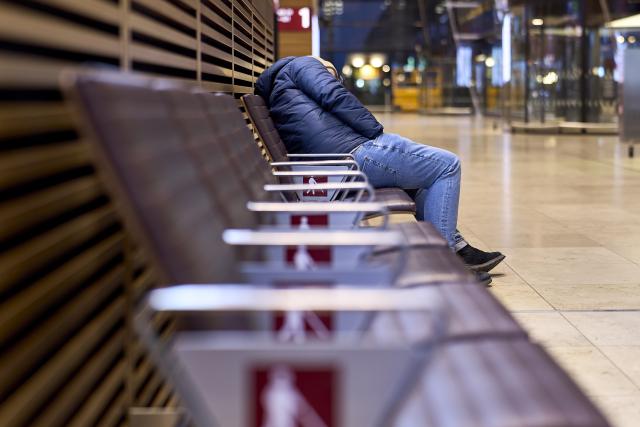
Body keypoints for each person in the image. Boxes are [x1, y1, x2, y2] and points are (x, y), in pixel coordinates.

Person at [255, 56, 505, 275]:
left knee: (420, 171)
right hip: (351, 158)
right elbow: (334, 95)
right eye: (331, 73)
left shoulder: (280, 88)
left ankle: (456, 248)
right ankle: (446, 261)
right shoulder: (304, 63)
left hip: (338, 162)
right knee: (446, 165)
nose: (333, 78)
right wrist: (374, 131)